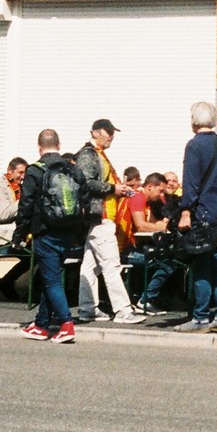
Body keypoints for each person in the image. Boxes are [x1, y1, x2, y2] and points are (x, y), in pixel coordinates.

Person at [176, 100, 217, 333]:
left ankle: (200, 317)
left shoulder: (194, 146)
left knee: (201, 266)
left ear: (193, 121)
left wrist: (185, 211)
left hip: (202, 213)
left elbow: (190, 182)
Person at [74, 119, 144, 325]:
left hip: (100, 218)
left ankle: (87, 309)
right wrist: (115, 189)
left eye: (113, 132)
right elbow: (86, 184)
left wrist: (119, 189)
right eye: (108, 131)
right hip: (100, 217)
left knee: (90, 267)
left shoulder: (97, 154)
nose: (111, 135)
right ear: (95, 133)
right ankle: (122, 310)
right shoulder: (89, 154)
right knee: (112, 265)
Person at [18, 129, 82, 343]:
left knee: (52, 280)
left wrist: (20, 234)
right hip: (68, 231)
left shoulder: (35, 170)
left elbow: (25, 205)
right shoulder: (71, 168)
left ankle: (66, 324)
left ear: (39, 147)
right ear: (59, 144)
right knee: (50, 277)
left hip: (45, 231)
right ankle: (42, 324)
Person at [127, 173, 182, 314]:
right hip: (127, 251)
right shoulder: (137, 197)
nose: (161, 194)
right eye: (160, 190)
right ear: (150, 187)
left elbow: (151, 223)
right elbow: (140, 226)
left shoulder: (147, 202)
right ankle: (145, 300)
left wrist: (162, 225)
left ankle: (151, 298)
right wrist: (167, 227)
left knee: (169, 257)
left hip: (137, 247)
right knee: (168, 262)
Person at [0, 156, 31, 299]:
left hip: (15, 236)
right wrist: (24, 201)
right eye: (20, 173)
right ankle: (6, 283)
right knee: (33, 255)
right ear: (10, 171)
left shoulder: (20, 188)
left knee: (40, 251)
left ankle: (7, 283)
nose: (23, 177)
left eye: (25, 174)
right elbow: (3, 214)